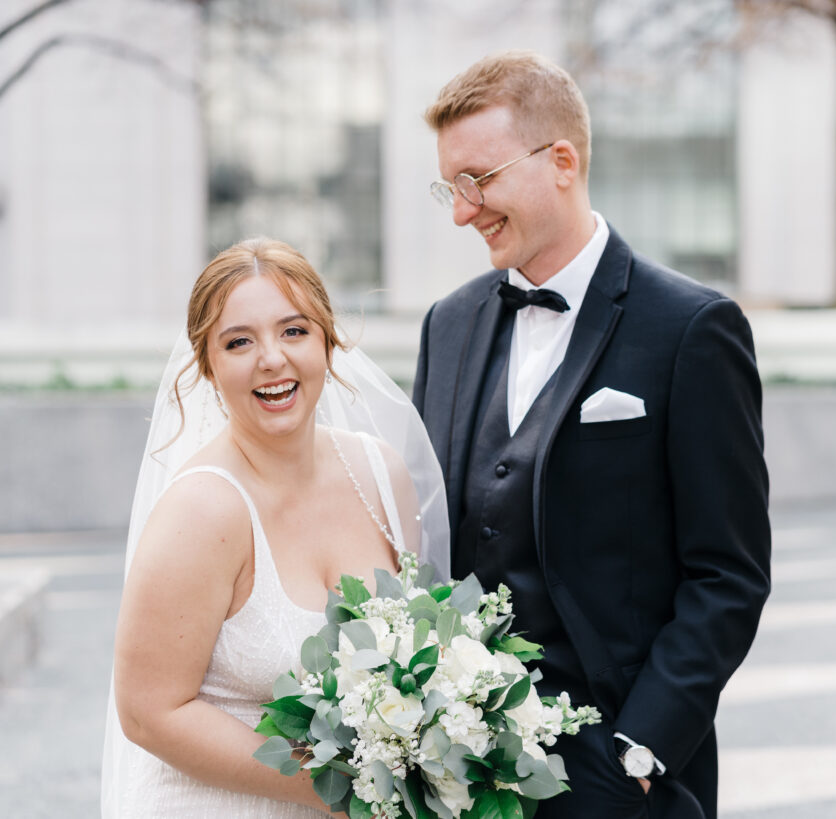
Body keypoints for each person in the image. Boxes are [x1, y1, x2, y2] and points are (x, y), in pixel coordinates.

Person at [413, 51, 771, 818]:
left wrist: (641, 748)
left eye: (479, 181)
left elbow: (729, 571)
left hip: (619, 775)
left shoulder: (692, 329)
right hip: (464, 777)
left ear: (562, 161)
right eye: (451, 186)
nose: (461, 210)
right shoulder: (447, 325)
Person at [101, 237, 448, 817]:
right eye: (239, 342)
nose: (272, 359)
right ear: (208, 366)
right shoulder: (203, 509)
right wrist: (349, 788)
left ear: (328, 342)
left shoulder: (382, 474)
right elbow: (147, 714)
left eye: (294, 331)